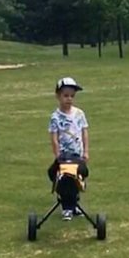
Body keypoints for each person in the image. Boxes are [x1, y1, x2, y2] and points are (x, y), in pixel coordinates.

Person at [48, 77, 89, 220]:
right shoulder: (55, 117)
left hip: (77, 155)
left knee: (77, 176)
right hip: (64, 156)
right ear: (58, 96)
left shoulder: (79, 114)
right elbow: (54, 138)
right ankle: (67, 207)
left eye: (72, 96)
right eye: (65, 96)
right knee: (62, 176)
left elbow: (84, 132)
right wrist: (57, 155)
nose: (69, 99)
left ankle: (74, 203)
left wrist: (86, 151)